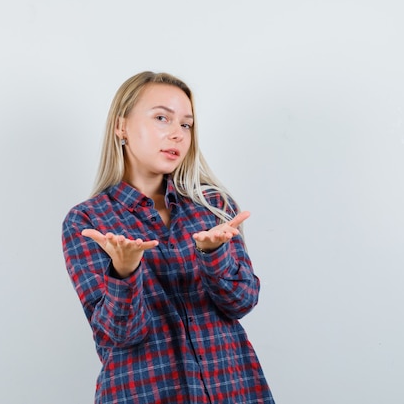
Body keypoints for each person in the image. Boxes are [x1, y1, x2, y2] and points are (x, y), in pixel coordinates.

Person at [61, 71, 274, 403]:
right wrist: (124, 273)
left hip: (235, 391)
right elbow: (119, 334)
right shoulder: (88, 221)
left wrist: (213, 255)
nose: (177, 134)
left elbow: (241, 302)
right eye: (162, 118)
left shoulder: (213, 206)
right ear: (122, 127)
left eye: (186, 125)